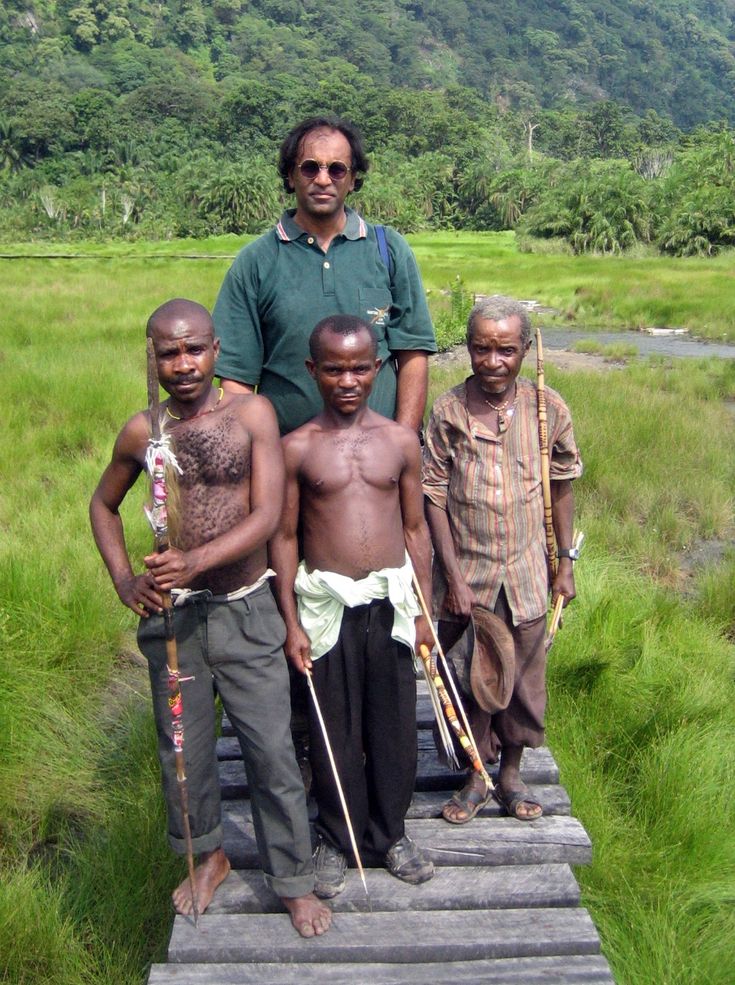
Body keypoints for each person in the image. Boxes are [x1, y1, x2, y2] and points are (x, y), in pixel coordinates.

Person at [89, 299, 331, 937]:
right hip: (175, 626)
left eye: (194, 349)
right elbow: (103, 504)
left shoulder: (251, 413)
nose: (183, 363)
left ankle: (293, 879)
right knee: (184, 753)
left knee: (272, 750)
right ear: (153, 357)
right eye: (169, 352)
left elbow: (268, 513)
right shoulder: (145, 432)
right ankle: (206, 857)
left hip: (246, 609)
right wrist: (124, 580)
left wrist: (195, 560)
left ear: (217, 350)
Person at [270, 315, 435, 898]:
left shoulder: (400, 440)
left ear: (380, 369)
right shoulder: (297, 449)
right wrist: (292, 623)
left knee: (393, 725)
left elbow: (416, 529)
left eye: (361, 368)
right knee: (331, 727)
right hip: (326, 608)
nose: (348, 380)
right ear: (312, 371)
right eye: (334, 368)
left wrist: (423, 613)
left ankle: (391, 835)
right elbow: (285, 539)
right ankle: (336, 839)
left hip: (389, 603)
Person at [422, 296, 582, 824]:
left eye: (506, 351)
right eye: (481, 349)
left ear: (525, 349)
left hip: (529, 575)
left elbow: (561, 488)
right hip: (469, 575)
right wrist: (451, 576)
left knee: (525, 680)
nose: (493, 362)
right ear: (468, 349)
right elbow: (434, 498)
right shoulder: (448, 412)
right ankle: (475, 774)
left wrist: (565, 564)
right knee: (471, 675)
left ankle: (510, 774)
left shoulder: (547, 410)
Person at [212, 115, 437, 436]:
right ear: (291, 176)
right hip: (289, 465)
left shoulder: (389, 250)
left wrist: (401, 446)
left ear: (352, 178)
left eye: (336, 169)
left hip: (377, 463)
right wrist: (256, 459)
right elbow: (237, 380)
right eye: (309, 167)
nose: (322, 179)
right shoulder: (256, 261)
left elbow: (412, 354)